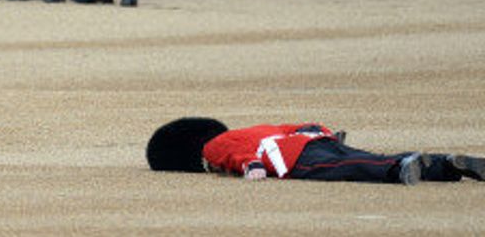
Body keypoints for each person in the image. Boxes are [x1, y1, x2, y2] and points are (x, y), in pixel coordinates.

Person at [146, 117, 485, 185]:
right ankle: (444, 165)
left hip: (292, 159)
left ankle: (399, 169)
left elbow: (234, 156)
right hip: (312, 139)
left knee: (353, 167)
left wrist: (251, 166)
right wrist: (321, 133)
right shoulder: (251, 127)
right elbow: (292, 126)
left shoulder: (212, 147)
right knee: (361, 155)